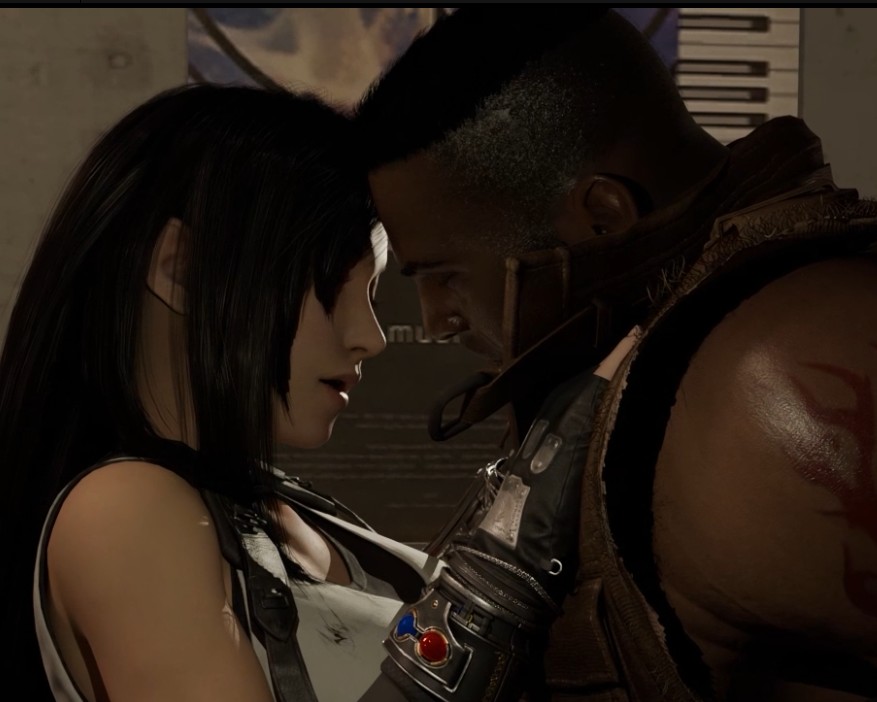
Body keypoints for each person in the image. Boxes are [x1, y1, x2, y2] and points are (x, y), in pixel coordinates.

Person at [355, 6, 877, 701]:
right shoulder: (666, 349)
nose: (436, 320)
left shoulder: (775, 375)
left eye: (445, 275)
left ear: (602, 216)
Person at [0, 83, 445, 702]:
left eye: (371, 294)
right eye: (330, 289)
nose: (370, 338)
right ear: (181, 269)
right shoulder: (127, 508)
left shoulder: (271, 504)